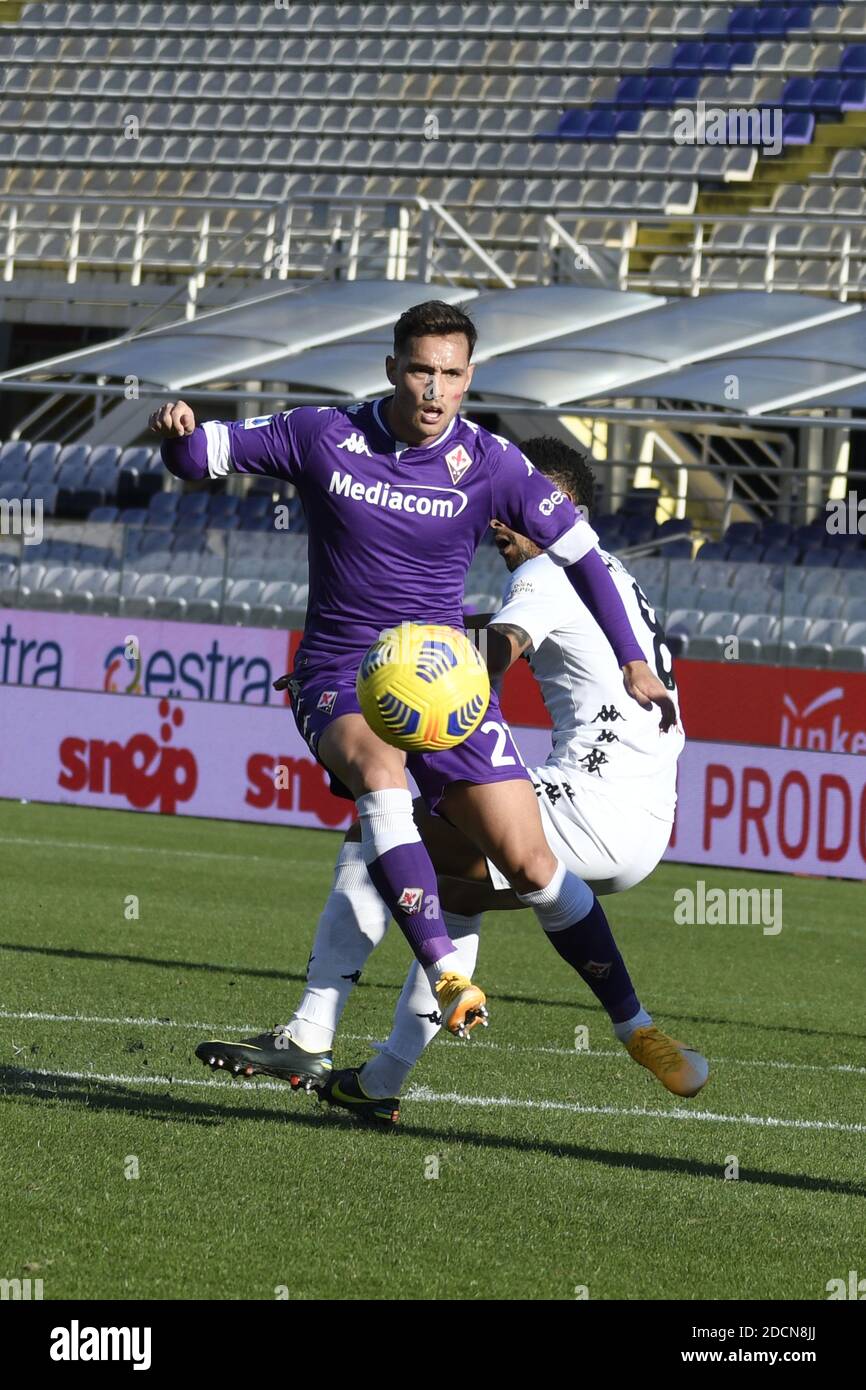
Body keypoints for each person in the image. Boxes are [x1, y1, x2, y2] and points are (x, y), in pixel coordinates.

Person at [149, 300, 673, 1094]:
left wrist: (635, 663)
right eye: (421, 371)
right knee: (380, 778)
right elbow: (201, 459)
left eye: (451, 375)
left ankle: (637, 1029)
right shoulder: (325, 435)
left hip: (447, 686)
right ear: (394, 368)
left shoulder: (493, 464)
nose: (434, 390)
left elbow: (586, 557)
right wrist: (180, 434)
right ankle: (443, 977)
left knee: (531, 862)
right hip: (343, 673)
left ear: (469, 380)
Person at [287, 437, 705, 1124]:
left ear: (553, 503)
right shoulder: (606, 570)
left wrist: (397, 681)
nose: (495, 520)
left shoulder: (544, 573)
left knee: (378, 835)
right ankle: (382, 1083)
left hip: (590, 805)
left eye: (510, 505)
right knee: (447, 886)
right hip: (645, 822)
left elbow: (497, 652)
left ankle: (312, 1027)